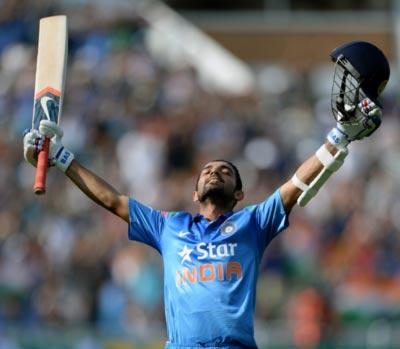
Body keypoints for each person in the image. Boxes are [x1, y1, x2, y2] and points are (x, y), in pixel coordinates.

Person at [23, 41, 389, 348]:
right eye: (208, 171)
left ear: (239, 192)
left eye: (225, 171)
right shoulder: (170, 225)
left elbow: (295, 184)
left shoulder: (253, 223)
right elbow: (113, 200)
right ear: (195, 193)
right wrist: (60, 157)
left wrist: (338, 137)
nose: (215, 172)